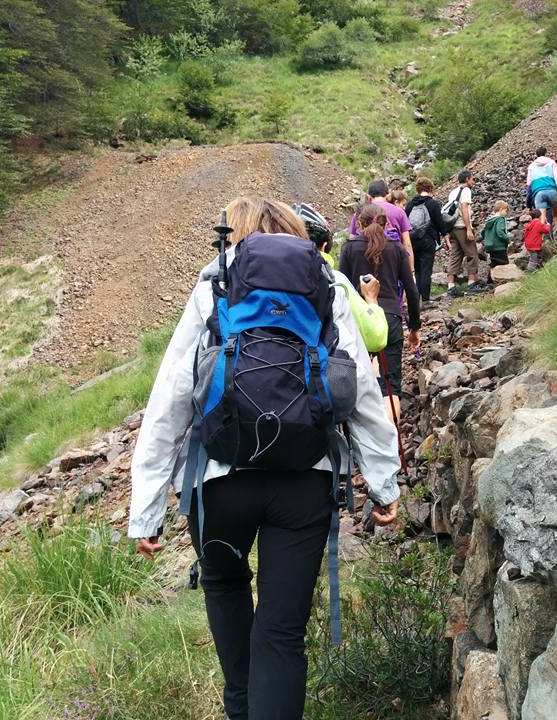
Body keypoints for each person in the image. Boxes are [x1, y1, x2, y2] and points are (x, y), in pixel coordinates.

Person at [129, 196, 401, 720]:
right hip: (305, 478)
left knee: (227, 594)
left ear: (236, 236)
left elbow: (170, 398)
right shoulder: (323, 284)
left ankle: (239, 707)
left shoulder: (216, 283)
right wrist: (384, 483)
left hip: (220, 483)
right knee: (280, 635)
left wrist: (147, 509)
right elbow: (362, 391)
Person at [339, 203, 421, 422]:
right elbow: (412, 292)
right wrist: (414, 328)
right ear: (386, 225)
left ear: (359, 223)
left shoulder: (349, 248)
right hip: (391, 318)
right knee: (390, 384)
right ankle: (391, 441)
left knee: (360, 377)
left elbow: (341, 289)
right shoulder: (397, 249)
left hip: (358, 320)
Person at [295, 201, 389, 353]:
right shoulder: (335, 283)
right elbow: (376, 338)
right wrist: (371, 300)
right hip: (328, 370)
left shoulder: (261, 282)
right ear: (324, 246)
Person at [349, 180, 415, 272]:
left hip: (364, 263)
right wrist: (411, 271)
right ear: (388, 195)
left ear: (368, 196)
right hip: (393, 264)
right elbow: (407, 244)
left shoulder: (360, 213)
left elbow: (352, 240)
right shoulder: (399, 212)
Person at [405, 176, 448, 302]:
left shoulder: (410, 204)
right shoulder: (433, 204)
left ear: (418, 189)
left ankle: (415, 298)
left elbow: (405, 223)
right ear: (430, 188)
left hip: (412, 240)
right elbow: (440, 223)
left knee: (416, 270)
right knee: (426, 270)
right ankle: (426, 300)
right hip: (428, 240)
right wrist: (446, 237)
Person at [445, 170, 486, 297]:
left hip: (453, 228)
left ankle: (451, 287)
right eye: (472, 179)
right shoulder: (466, 190)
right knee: (472, 254)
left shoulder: (453, 192)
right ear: (467, 179)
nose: (473, 182)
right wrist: (469, 228)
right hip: (462, 227)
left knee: (455, 256)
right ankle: (471, 285)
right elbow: (464, 208)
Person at [526, 147, 557, 226]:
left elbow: (529, 185)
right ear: (545, 153)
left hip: (538, 193)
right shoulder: (551, 162)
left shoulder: (531, 166)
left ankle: (545, 238)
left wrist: (528, 203)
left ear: (536, 155)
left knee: (542, 221)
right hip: (552, 192)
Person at [480, 200, 511, 267]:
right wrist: (507, 239)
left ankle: (490, 277)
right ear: (501, 209)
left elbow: (483, 232)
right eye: (506, 211)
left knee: (494, 264)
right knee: (504, 265)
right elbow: (500, 232)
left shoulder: (489, 220)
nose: (506, 214)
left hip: (489, 246)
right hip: (499, 246)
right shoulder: (500, 219)